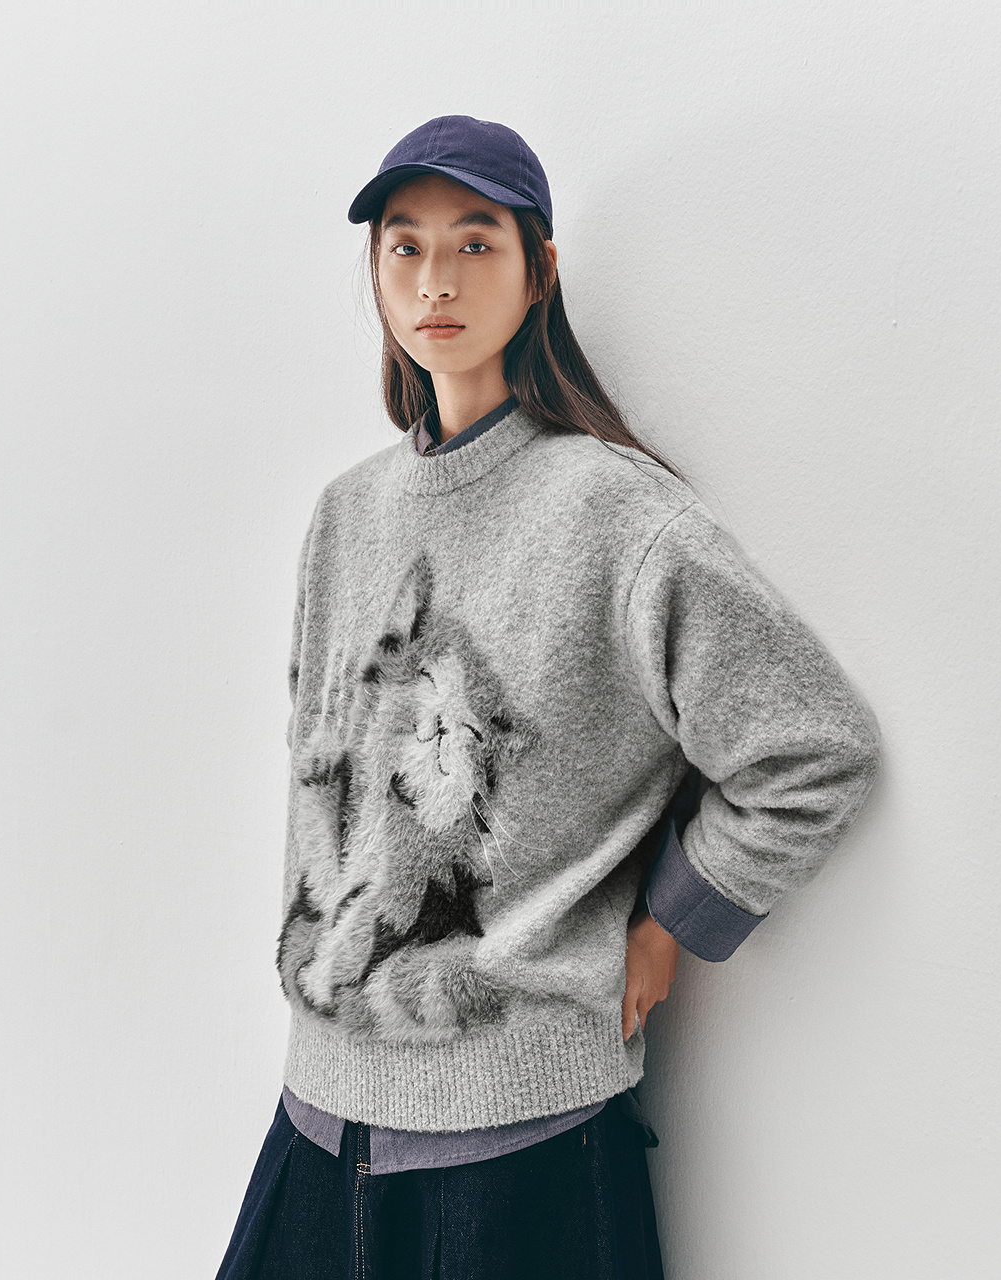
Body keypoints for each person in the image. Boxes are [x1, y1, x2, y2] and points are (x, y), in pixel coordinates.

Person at [213, 115, 881, 1280]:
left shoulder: (614, 514)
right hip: (315, 1120)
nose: (436, 280)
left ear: (540, 272)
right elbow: (323, 774)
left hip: (520, 1148)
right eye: (405, 246)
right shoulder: (343, 514)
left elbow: (811, 747)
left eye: (475, 243)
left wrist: (673, 924)